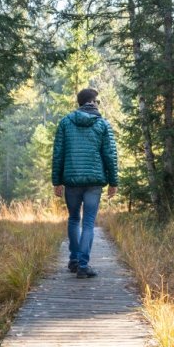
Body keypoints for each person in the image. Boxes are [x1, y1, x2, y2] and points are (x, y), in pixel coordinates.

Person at [51, 88, 118, 278]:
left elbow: (58, 154)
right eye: (98, 101)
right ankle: (82, 265)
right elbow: (110, 155)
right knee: (88, 223)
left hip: (71, 180)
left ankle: (73, 260)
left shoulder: (65, 123)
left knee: (73, 219)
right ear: (93, 102)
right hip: (94, 182)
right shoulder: (103, 124)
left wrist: (57, 181)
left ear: (80, 103)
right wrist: (113, 181)